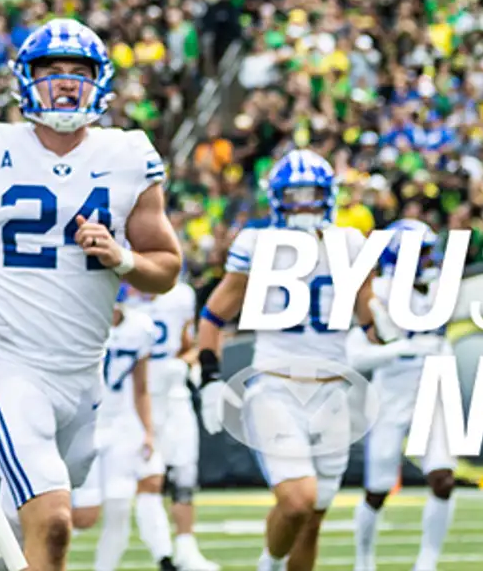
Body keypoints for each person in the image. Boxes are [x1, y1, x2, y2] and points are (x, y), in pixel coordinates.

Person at [0, 18, 184, 571]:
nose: (67, 83)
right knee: (52, 521)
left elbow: (165, 267)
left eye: (80, 71)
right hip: (6, 360)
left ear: (101, 82)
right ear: (26, 79)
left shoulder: (128, 154)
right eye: (53, 71)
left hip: (83, 371)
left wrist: (121, 258)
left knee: (23, 522)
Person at [195, 150, 403, 571]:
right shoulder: (257, 243)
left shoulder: (350, 243)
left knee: (312, 520)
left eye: (313, 196)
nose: (305, 205)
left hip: (333, 394)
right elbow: (215, 313)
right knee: (297, 501)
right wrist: (211, 377)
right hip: (276, 385)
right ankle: (268, 565)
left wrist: (383, 318)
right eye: (296, 196)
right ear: (277, 199)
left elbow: (367, 316)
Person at [351, 218, 455, 571]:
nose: (428, 261)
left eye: (428, 253)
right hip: (391, 394)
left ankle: (426, 563)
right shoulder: (377, 292)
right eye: (421, 254)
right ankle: (364, 561)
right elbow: (356, 353)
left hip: (431, 393)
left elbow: (441, 342)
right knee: (377, 490)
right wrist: (399, 351)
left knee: (443, 478)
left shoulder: (440, 287)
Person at [69, 290, 169, 571]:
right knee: (84, 516)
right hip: (83, 423)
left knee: (119, 508)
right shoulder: (79, 321)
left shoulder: (140, 328)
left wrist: (147, 431)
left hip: (120, 425)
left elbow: (141, 387)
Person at [134, 276, 216, 571]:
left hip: (173, 393)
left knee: (184, 474)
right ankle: (163, 554)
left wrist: (183, 364)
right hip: (133, 397)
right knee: (149, 477)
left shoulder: (181, 295)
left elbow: (188, 345)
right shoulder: (122, 291)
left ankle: (185, 549)